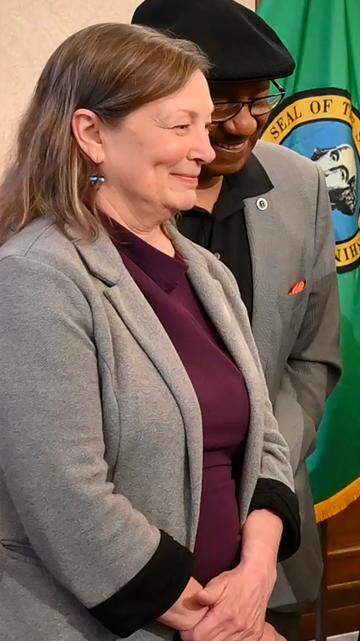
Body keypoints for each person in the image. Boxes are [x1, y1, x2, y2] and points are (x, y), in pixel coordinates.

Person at [0, 23, 299, 641]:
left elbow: (265, 439)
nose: (206, 149)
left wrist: (256, 575)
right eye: (179, 125)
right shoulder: (35, 276)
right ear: (91, 134)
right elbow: (65, 496)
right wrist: (210, 618)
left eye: (203, 123)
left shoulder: (206, 272)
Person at [131, 3, 342, 637]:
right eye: (221, 105)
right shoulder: (96, 213)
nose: (243, 125)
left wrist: (265, 477)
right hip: (137, 556)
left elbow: (311, 356)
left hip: (268, 544)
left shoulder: (300, 185)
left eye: (260, 102)